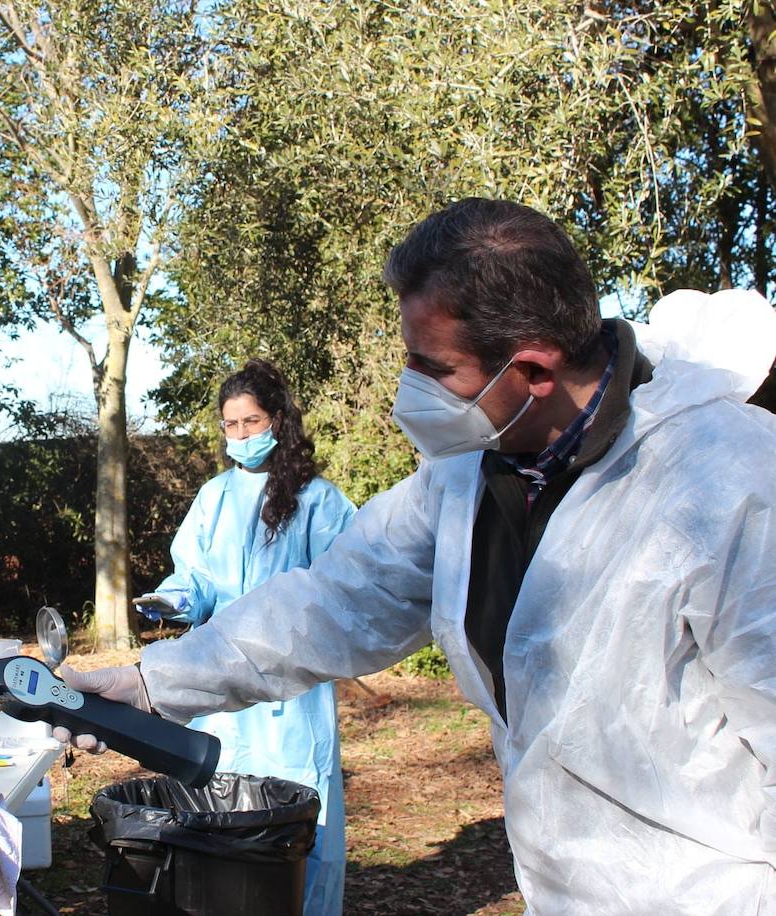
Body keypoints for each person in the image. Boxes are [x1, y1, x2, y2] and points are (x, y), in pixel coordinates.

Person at [61, 199, 776, 913]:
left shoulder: (730, 485)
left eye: (432, 365)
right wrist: (150, 683)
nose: (411, 386)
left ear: (533, 372)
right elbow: (333, 603)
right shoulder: (469, 473)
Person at [133, 359, 353, 916]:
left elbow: (345, 582)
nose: (241, 436)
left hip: (292, 685)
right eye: (230, 426)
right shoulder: (214, 497)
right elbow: (197, 577)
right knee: (224, 811)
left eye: (251, 421)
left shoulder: (319, 500)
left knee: (305, 815)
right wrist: (174, 599)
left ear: (278, 420)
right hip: (223, 680)